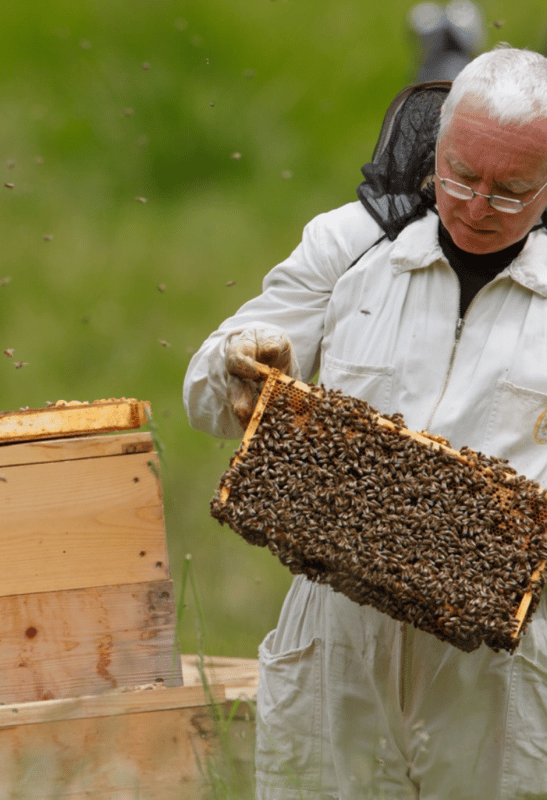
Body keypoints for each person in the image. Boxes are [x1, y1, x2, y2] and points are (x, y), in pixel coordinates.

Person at [183, 45, 547, 800]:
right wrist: (244, 366)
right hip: (337, 644)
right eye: (460, 177)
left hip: (498, 668)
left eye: (511, 191)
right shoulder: (349, 244)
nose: (477, 207)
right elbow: (205, 395)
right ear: (436, 148)